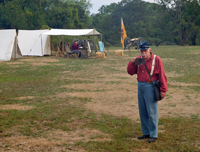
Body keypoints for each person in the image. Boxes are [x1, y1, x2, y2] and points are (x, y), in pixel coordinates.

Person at [127, 41, 168, 143]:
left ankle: (153, 134)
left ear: (150, 50)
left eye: (145, 50)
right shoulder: (139, 59)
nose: (143, 53)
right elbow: (131, 72)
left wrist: (163, 90)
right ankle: (146, 132)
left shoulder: (156, 59)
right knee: (143, 110)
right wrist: (132, 63)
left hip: (150, 85)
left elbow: (162, 75)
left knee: (152, 111)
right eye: (141, 51)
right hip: (140, 85)